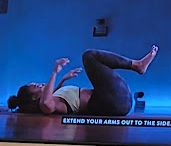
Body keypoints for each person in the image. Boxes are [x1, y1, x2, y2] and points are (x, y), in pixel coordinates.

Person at [10, 44, 159, 118]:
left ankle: (137, 65)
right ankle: (137, 65)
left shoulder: (55, 98)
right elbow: (46, 103)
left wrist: (64, 78)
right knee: (89, 56)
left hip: (115, 101)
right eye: (36, 86)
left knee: (91, 58)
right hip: (112, 102)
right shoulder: (48, 105)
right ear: (34, 97)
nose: (40, 84)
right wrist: (55, 71)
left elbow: (53, 92)